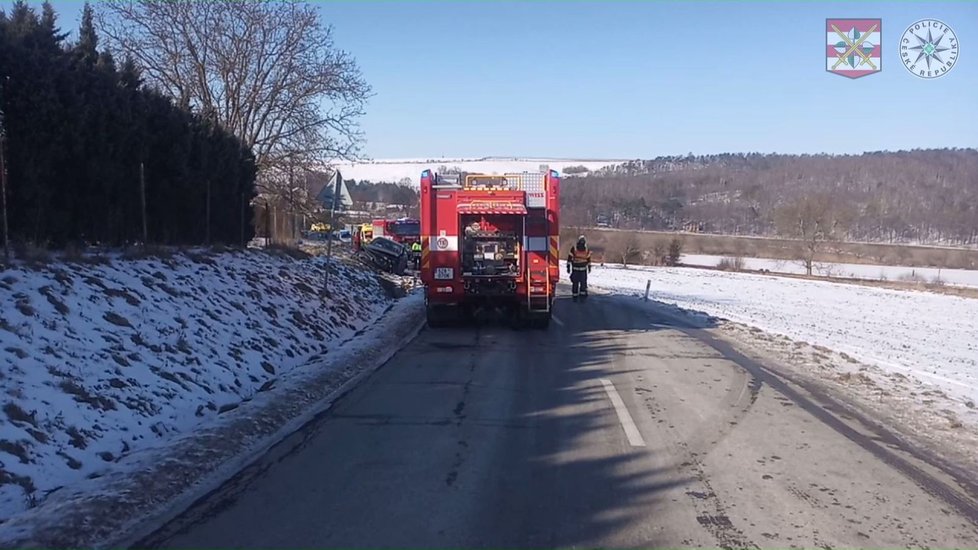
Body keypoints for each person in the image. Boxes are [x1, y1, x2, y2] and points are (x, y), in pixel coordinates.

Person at [567, 235, 592, 301]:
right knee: (583, 283)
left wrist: (568, 266)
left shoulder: (574, 248)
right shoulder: (587, 249)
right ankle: (582, 295)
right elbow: (588, 259)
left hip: (575, 269)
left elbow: (569, 258)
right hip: (583, 270)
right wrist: (589, 267)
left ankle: (575, 295)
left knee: (575, 282)